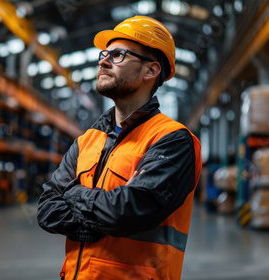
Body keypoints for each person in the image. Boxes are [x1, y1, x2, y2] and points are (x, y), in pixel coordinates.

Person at [37, 15, 202, 280]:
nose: (103, 61)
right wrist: (105, 214)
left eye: (118, 55)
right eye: (104, 54)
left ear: (151, 71)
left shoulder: (173, 140)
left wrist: (74, 193)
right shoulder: (86, 141)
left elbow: (128, 212)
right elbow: (47, 210)